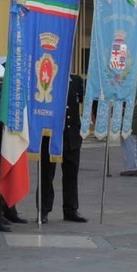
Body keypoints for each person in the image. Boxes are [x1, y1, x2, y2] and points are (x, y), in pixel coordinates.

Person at [39, 73, 87, 223]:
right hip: (51, 133)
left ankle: (71, 209)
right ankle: (43, 209)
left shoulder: (77, 80)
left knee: (71, 173)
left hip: (71, 133)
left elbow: (88, 98)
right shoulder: (46, 76)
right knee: (47, 173)